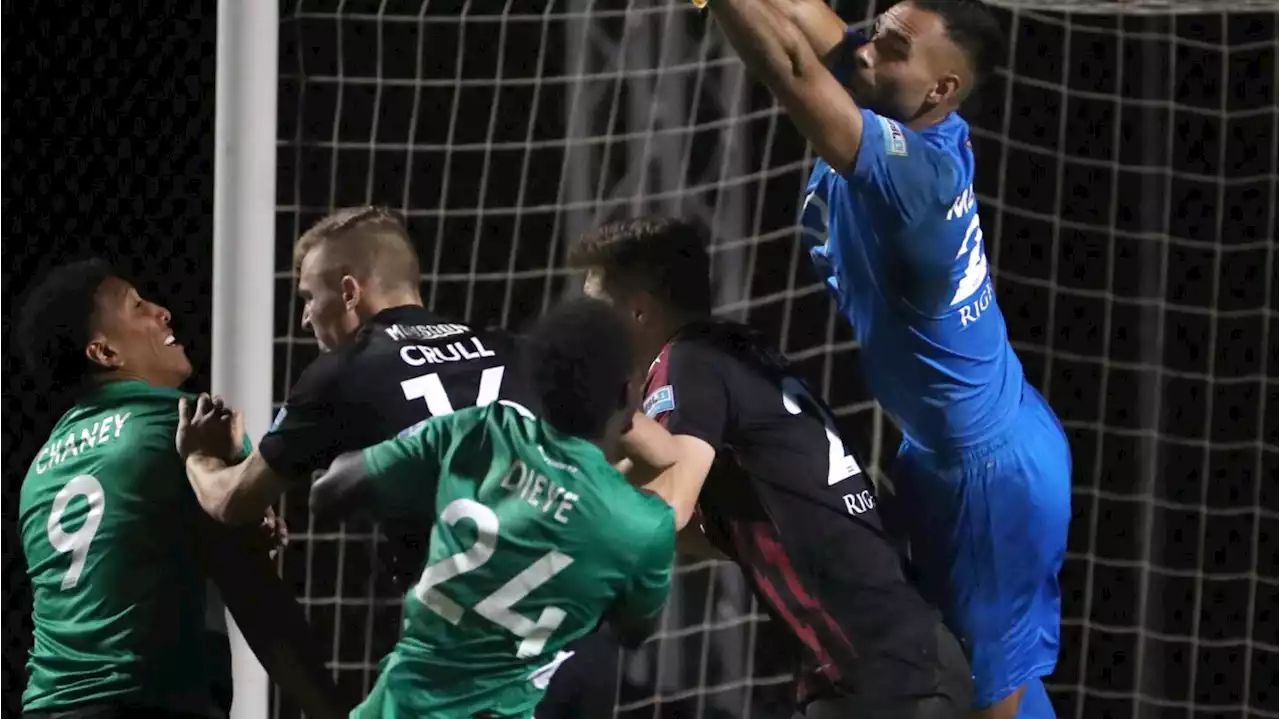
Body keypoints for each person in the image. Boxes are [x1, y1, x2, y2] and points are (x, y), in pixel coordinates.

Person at [698, 1, 1072, 716]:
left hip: (990, 478)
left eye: (893, 47)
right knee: (967, 662)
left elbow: (795, 68)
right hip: (950, 446)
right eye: (880, 31)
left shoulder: (914, 181)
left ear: (942, 89)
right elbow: (823, 29)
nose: (867, 50)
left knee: (994, 690)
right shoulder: (898, 101)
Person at [571, 217, 972, 719]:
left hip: (887, 679)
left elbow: (668, 508)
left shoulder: (687, 362)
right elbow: (723, 530)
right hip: (891, 668)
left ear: (637, 311)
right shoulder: (736, 351)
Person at [286, 297, 674, 718]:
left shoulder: (480, 429)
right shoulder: (643, 524)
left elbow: (329, 492)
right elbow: (635, 629)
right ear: (626, 393)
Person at [14, 259, 345, 719]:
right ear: (105, 353)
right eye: (138, 307)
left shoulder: (42, 466)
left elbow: (124, 563)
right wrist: (329, 709)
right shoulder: (185, 427)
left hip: (48, 704)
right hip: (147, 702)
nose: (162, 312)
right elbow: (254, 594)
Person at [180, 206, 528, 553]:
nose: (305, 319)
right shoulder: (513, 349)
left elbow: (231, 501)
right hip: (567, 569)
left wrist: (198, 456)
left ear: (349, 292)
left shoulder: (342, 372)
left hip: (466, 588)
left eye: (309, 298)